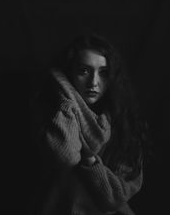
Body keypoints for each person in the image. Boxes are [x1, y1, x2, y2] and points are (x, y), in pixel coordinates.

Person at [30, 33, 148, 215]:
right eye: (84, 71)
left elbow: (115, 197)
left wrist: (92, 162)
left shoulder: (124, 126)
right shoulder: (56, 116)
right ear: (70, 73)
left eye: (103, 73)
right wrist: (66, 96)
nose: (93, 82)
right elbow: (66, 156)